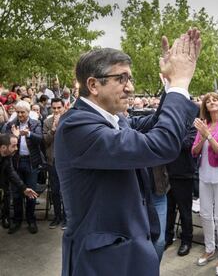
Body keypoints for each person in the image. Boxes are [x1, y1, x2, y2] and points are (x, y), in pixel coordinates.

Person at [54, 29, 201, 276]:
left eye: (129, 79)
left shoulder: (115, 120)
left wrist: (169, 84)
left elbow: (156, 124)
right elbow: (160, 144)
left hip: (131, 251)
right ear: (93, 84)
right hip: (104, 262)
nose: (130, 87)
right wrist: (180, 83)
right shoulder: (76, 126)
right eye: (122, 78)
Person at [191, 92, 218, 276]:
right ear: (205, 107)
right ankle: (209, 249)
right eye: (207, 101)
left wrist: (208, 136)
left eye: (214, 100)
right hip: (205, 174)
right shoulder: (204, 125)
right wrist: (203, 136)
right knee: (205, 213)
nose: (211, 103)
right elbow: (194, 151)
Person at [4, 100, 44, 234]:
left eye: (23, 112)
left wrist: (29, 134)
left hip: (31, 162)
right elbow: (4, 140)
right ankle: (17, 220)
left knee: (31, 192)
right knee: (16, 192)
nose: (20, 114)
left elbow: (40, 139)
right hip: (15, 162)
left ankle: (31, 220)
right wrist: (13, 136)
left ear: (28, 112)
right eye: (18, 112)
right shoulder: (11, 124)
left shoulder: (35, 123)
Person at [165, 126, 197, 256]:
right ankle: (168, 237)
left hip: (183, 175)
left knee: (185, 211)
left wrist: (168, 138)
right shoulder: (168, 124)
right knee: (168, 210)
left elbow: (186, 144)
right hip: (166, 174)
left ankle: (186, 240)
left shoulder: (192, 127)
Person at [0, 133, 38, 229]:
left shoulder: (7, 156)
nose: (16, 149)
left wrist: (24, 188)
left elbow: (11, 173)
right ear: (3, 147)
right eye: (13, 146)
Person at [43, 98, 66, 229]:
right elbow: (45, 141)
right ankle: (57, 217)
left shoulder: (69, 120)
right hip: (52, 161)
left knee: (66, 192)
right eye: (54, 108)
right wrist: (53, 129)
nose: (57, 110)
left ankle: (67, 218)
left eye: (59, 108)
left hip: (67, 162)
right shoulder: (47, 122)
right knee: (55, 191)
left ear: (64, 107)